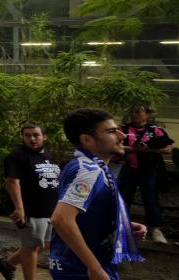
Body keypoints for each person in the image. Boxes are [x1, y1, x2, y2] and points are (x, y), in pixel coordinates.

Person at [49, 108, 146, 279]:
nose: (121, 136)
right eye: (111, 131)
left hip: (79, 266)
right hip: (82, 270)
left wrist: (121, 226)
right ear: (87, 140)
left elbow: (81, 215)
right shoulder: (88, 170)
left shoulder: (87, 166)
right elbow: (61, 219)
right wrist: (94, 268)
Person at [0, 122, 60, 280]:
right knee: (31, 247)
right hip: (30, 211)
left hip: (50, 210)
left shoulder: (49, 156)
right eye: (27, 135)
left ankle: (7, 263)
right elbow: (11, 181)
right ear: (22, 138)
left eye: (36, 135)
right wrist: (19, 209)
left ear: (44, 136)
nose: (32, 139)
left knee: (47, 244)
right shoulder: (17, 156)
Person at [115, 104, 170, 244]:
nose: (135, 115)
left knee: (151, 199)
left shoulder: (156, 130)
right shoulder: (123, 129)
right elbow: (115, 146)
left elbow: (168, 149)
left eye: (139, 112)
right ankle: (122, 228)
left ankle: (155, 229)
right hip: (128, 169)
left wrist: (147, 149)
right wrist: (135, 148)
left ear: (148, 114)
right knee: (123, 199)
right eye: (133, 112)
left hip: (149, 170)